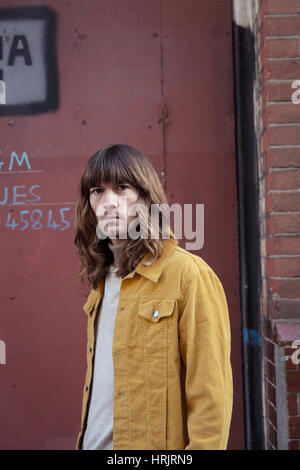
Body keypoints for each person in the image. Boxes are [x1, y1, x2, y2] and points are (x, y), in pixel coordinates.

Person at [74, 143, 233, 450]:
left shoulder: (188, 275)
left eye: (122, 188)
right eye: (97, 191)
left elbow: (211, 396)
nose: (108, 203)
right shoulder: (102, 280)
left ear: (145, 198)